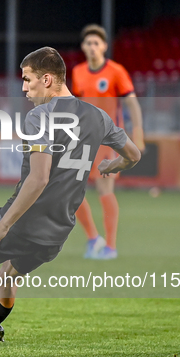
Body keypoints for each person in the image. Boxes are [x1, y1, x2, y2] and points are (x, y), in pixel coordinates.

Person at [0, 46, 141, 357]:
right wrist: (113, 165)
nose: (24, 88)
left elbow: (38, 179)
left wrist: (5, 224)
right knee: (8, 274)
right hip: (59, 230)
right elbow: (134, 154)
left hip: (24, 221)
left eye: (27, 80)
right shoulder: (98, 116)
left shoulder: (40, 116)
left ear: (47, 78)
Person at [71, 24, 145, 259]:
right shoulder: (78, 72)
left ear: (104, 46)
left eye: (96, 43)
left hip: (109, 140)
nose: (92, 47)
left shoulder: (116, 71)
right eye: (88, 43)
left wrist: (138, 134)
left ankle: (110, 247)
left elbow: (132, 103)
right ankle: (94, 238)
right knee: (71, 191)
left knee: (104, 187)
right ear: (83, 47)